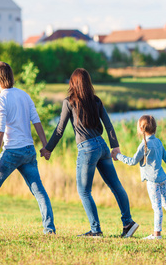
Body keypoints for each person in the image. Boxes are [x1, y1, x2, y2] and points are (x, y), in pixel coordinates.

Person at [41, 68, 138, 238]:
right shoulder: (96, 101)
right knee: (116, 186)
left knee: (84, 191)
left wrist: (48, 149)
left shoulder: (69, 102)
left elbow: (60, 129)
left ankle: (95, 230)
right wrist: (115, 146)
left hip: (87, 149)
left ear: (73, 83)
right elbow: (109, 125)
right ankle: (128, 223)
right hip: (102, 146)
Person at [0, 61, 56, 234]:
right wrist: (46, 146)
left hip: (12, 152)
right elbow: (37, 121)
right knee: (39, 190)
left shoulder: (0, 100)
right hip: (29, 151)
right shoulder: (24, 95)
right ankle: (49, 230)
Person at [114, 115, 166, 240]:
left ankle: (157, 234)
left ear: (141, 129)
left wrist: (118, 156)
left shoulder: (144, 145)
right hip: (162, 179)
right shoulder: (158, 142)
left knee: (157, 207)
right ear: (154, 128)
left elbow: (132, 162)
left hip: (153, 181)